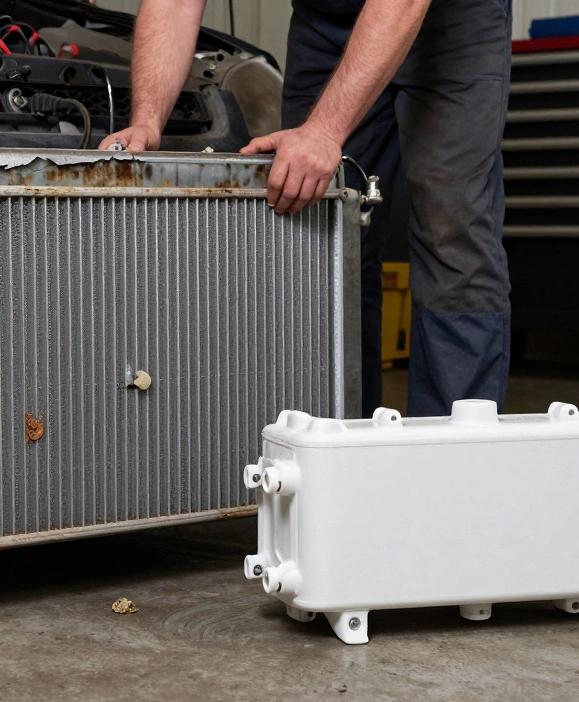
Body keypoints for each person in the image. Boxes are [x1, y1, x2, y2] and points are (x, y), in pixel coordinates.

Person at [101, 0, 513, 417]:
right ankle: (335, 441)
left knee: (452, 233)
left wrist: (323, 131)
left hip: (452, 22)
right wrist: (148, 120)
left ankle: (455, 450)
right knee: (321, 240)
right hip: (325, 24)